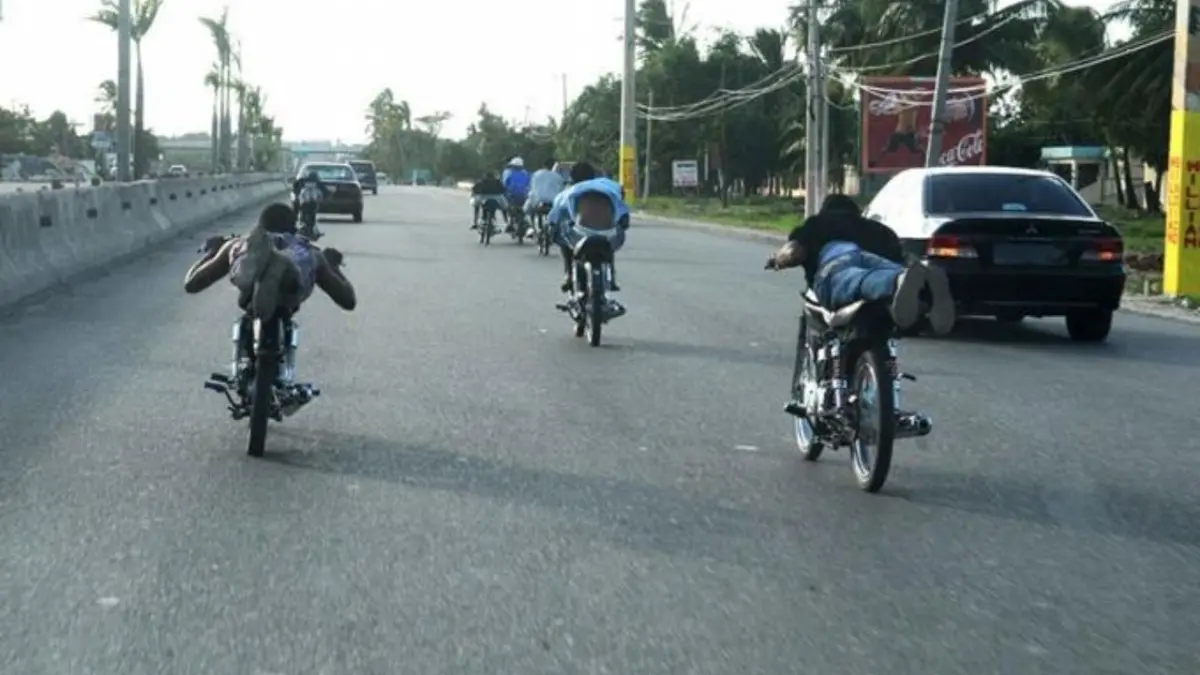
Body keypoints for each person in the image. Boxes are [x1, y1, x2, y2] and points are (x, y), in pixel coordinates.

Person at [764, 194, 954, 333]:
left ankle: (896, 281)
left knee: (854, 278)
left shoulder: (818, 223)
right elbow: (902, 257)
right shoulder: (880, 230)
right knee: (888, 271)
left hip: (837, 258)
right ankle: (923, 287)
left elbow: (794, 252)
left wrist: (777, 260)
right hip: (879, 260)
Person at [184, 202, 357, 318]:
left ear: (260, 227)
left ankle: (259, 270)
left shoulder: (238, 243)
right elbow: (348, 301)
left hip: (249, 264)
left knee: (242, 264)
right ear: (294, 229)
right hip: (292, 278)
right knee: (297, 274)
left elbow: (192, 284)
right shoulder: (312, 251)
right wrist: (333, 266)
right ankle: (283, 267)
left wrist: (212, 253)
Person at [548, 161, 631, 295]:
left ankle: (569, 274)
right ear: (593, 175)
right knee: (610, 243)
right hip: (608, 234)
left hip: (581, 234)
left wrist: (552, 232)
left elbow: (553, 217)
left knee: (563, 238)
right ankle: (612, 276)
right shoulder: (608, 185)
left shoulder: (568, 192)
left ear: (572, 178)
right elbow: (622, 210)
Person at [501, 157, 531, 233]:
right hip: (524, 195)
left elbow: (504, 184)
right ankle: (524, 221)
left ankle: (510, 222)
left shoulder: (508, 172)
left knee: (507, 206)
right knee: (524, 208)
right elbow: (529, 185)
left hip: (511, 195)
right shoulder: (526, 173)